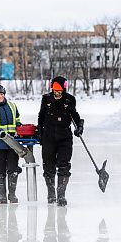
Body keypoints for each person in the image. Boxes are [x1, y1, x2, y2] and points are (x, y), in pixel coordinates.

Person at [38, 76, 83, 206]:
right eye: (54, 89)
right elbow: (41, 116)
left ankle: (61, 195)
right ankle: (51, 194)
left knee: (64, 165)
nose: (56, 92)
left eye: (59, 90)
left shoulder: (69, 100)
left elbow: (75, 115)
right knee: (48, 165)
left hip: (65, 137)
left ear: (63, 89)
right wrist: (40, 132)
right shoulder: (46, 99)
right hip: (48, 137)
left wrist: (80, 127)